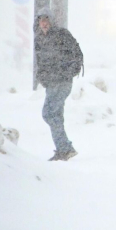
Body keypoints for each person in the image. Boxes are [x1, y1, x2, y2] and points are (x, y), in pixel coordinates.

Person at [34, 8, 83, 162]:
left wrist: (67, 72)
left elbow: (77, 55)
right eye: (41, 20)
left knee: (48, 113)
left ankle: (65, 148)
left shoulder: (62, 35)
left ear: (52, 21)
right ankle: (63, 150)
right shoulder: (39, 39)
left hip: (62, 81)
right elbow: (40, 62)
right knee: (56, 115)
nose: (44, 23)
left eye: (46, 20)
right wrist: (41, 77)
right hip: (51, 83)